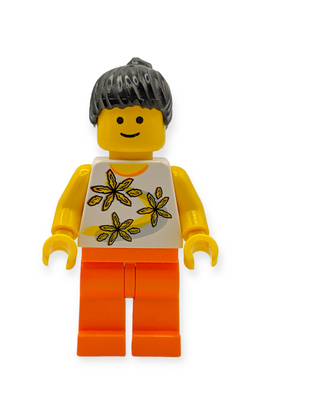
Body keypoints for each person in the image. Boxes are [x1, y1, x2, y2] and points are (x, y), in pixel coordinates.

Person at [42, 58, 218, 357]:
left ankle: (158, 339)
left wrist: (197, 235)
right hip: (101, 256)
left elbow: (190, 209)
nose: (130, 128)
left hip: (159, 257)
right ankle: (99, 339)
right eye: (119, 120)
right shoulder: (88, 175)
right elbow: (70, 208)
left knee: (160, 302)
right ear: (98, 123)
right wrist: (62, 234)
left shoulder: (173, 176)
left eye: (140, 120)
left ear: (163, 124)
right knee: (98, 300)